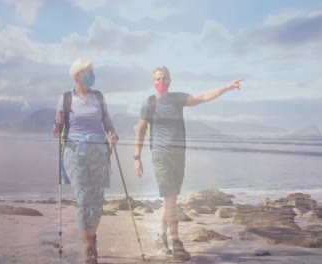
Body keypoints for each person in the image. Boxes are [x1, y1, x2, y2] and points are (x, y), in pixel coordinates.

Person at [134, 66, 243, 261]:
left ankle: (161, 236)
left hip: (179, 156)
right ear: (153, 82)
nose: (161, 81)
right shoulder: (149, 103)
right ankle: (176, 243)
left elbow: (202, 97)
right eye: (158, 79)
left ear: (170, 80)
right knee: (170, 199)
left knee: (171, 200)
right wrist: (137, 158)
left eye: (164, 78)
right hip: (160, 155)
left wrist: (227, 87)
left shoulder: (177, 99)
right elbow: (141, 131)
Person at [53, 58, 118, 264]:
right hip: (74, 153)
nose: (92, 74)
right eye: (88, 71)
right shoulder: (66, 98)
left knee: (97, 201)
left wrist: (112, 133)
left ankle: (92, 235)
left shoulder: (98, 96)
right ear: (77, 75)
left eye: (92, 71)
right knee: (82, 200)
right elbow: (56, 132)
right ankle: (89, 247)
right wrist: (57, 125)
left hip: (99, 152)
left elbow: (107, 121)